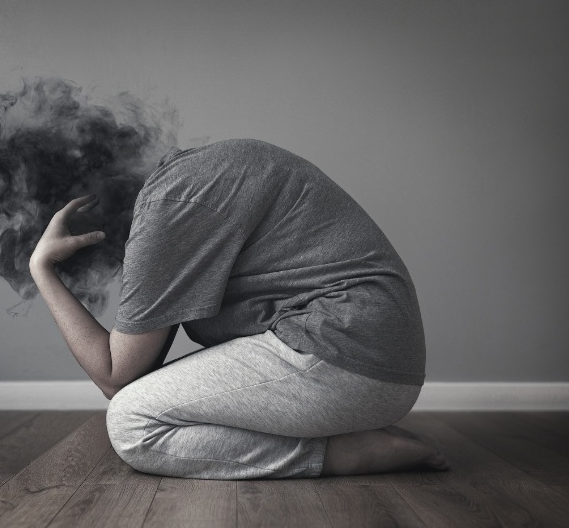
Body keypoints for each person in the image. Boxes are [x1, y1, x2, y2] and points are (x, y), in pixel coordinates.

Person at [29, 138, 448, 479]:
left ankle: (343, 453)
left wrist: (43, 269)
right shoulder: (198, 176)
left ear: (81, 218)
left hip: (344, 355)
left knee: (131, 421)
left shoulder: (168, 208)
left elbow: (115, 377)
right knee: (152, 399)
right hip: (376, 358)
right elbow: (141, 368)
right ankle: (344, 432)